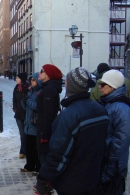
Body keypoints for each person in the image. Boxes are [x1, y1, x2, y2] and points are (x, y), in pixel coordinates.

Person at [35, 67, 110, 195]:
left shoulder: (69, 115)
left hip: (72, 182)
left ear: (72, 86)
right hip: (93, 178)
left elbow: (59, 154)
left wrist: (43, 179)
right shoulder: (100, 109)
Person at [98, 70, 130, 195]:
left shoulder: (121, 108)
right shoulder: (109, 103)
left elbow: (121, 141)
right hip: (106, 162)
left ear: (113, 86)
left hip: (112, 167)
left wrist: (110, 169)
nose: (99, 88)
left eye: (103, 85)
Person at [36, 64, 62, 166]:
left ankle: (45, 180)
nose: (39, 73)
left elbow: (48, 114)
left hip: (45, 128)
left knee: (45, 155)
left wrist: (44, 134)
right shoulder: (47, 87)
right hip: (43, 126)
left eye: (42, 71)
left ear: (48, 75)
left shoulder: (49, 89)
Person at [20, 72, 42, 175]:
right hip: (28, 123)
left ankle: (38, 167)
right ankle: (29, 165)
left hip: (35, 124)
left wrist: (28, 101)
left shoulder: (40, 92)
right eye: (31, 80)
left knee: (35, 148)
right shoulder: (31, 91)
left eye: (34, 80)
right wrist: (23, 101)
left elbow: (37, 106)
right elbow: (27, 107)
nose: (32, 82)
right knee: (28, 147)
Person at [13, 72, 29, 159]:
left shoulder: (28, 88)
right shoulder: (16, 89)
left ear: (22, 79)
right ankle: (23, 151)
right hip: (19, 114)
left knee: (27, 134)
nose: (16, 79)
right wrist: (15, 109)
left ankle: (24, 151)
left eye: (17, 78)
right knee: (22, 134)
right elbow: (14, 100)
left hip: (27, 114)